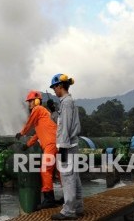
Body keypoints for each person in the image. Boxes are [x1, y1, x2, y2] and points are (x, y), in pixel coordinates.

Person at [15, 90, 58, 210]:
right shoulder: (43, 115)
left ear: (37, 101)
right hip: (55, 143)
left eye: (30, 101)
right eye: (28, 102)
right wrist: (27, 145)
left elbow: (29, 123)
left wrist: (21, 133)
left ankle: (49, 200)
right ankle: (67, 198)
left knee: (45, 169)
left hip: (51, 144)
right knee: (60, 173)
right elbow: (38, 134)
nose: (29, 104)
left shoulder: (38, 109)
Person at [49, 73, 84, 220]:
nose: (54, 91)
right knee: (74, 176)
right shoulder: (66, 102)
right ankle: (78, 206)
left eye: (54, 87)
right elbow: (61, 122)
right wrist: (52, 111)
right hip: (71, 144)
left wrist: (62, 146)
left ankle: (68, 211)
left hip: (67, 146)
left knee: (67, 177)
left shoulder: (67, 103)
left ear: (60, 86)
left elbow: (66, 127)